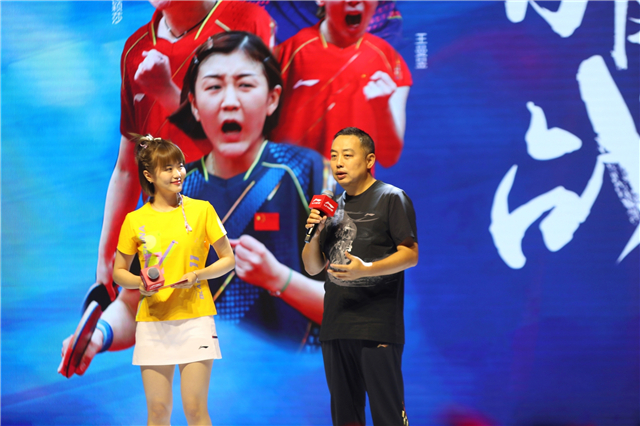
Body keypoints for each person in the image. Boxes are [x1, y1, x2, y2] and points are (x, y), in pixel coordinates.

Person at [60, 31, 331, 378]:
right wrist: (99, 335)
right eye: (214, 87)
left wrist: (279, 278)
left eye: (245, 85)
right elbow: (132, 307)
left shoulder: (310, 173)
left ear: (272, 98)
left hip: (302, 390)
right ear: (194, 105)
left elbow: (360, 306)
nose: (229, 101)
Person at [96, 0, 274, 303]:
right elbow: (127, 168)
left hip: (239, 247)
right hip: (165, 252)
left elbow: (251, 147)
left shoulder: (248, 22)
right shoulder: (135, 48)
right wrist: (107, 256)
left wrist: (166, 92)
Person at [113, 135, 235, 426]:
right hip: (153, 322)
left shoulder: (202, 210)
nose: (177, 173)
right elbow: (118, 272)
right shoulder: (135, 220)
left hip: (195, 319)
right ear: (148, 175)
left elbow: (228, 260)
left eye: (179, 165)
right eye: (167, 168)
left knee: (194, 409)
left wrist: (198, 275)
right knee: (157, 411)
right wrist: (139, 283)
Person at [302, 127, 419, 426]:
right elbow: (312, 267)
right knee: (345, 418)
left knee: (388, 417)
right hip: (335, 327)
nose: (338, 163)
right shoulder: (330, 208)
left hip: (376, 326)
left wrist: (365, 270)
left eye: (347, 155)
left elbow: (410, 254)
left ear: (369, 160)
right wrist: (314, 232)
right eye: (333, 156)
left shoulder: (392, 198)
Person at [270, 1, 412, 168]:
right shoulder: (287, 53)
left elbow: (389, 157)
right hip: (290, 179)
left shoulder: (390, 62)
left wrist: (381, 108)